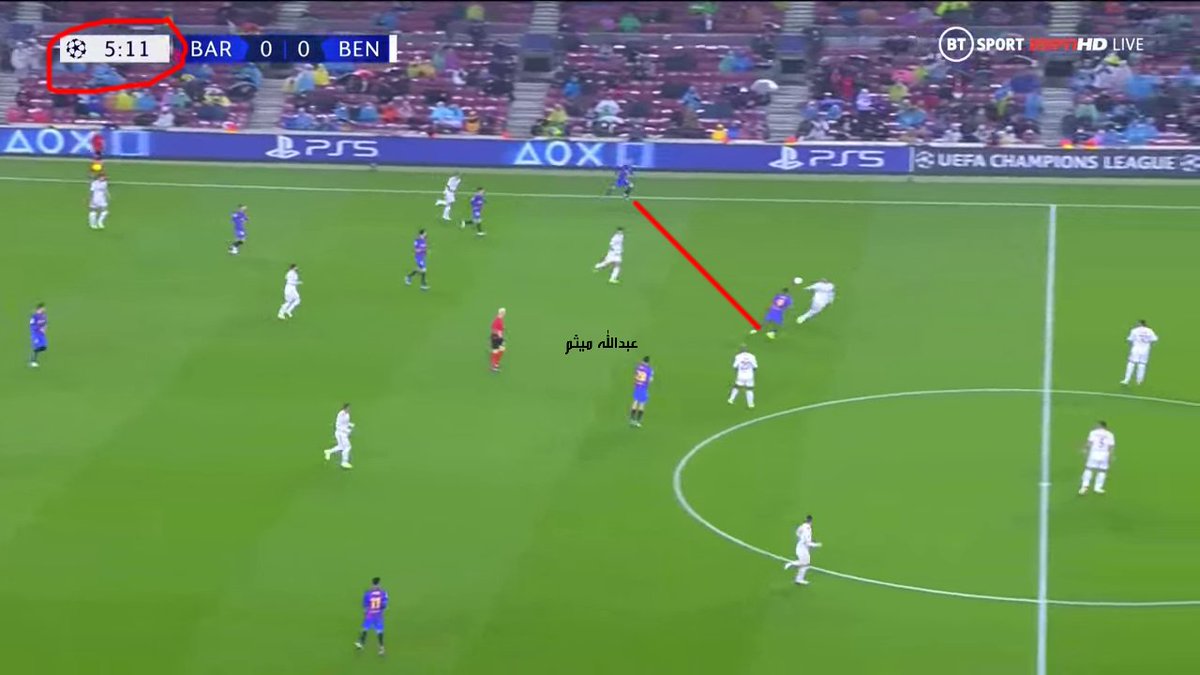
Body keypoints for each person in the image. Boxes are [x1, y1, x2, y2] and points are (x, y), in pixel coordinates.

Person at [783, 515, 822, 585]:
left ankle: (799, 579)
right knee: (804, 563)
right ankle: (791, 564)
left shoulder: (802, 526)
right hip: (803, 549)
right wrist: (816, 545)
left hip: (800, 547)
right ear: (811, 521)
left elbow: (797, 533)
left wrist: (801, 538)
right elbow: (808, 543)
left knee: (806, 564)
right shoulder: (808, 529)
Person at [1079, 421, 1116, 495]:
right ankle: (1098, 488)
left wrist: (1085, 449)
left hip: (1094, 453)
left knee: (1089, 469)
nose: (1095, 426)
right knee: (1102, 470)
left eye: (1097, 425)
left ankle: (1085, 486)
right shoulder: (1110, 434)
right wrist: (1111, 456)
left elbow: (1089, 443)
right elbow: (1111, 447)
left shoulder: (1093, 432)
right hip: (1104, 454)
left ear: (1100, 425)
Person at [355, 577, 388, 655]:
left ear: (372, 584)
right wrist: (382, 611)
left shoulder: (367, 594)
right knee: (379, 631)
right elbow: (384, 605)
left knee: (365, 629)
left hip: (370, 615)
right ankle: (381, 649)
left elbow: (365, 606)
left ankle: (361, 644)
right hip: (378, 615)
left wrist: (365, 614)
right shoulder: (383, 593)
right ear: (379, 584)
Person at [1121, 319, 1158, 385]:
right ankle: (1139, 381)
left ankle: (1126, 380)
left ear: (1140, 324)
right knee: (1142, 364)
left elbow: (1130, 339)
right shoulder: (1150, 330)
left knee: (1131, 363)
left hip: (1136, 349)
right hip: (1145, 350)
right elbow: (1154, 339)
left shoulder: (1135, 330)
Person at [324, 403, 354, 469]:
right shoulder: (341, 415)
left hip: (343, 433)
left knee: (341, 446)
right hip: (340, 434)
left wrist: (350, 424)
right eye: (348, 408)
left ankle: (328, 451)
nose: (350, 409)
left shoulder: (347, 414)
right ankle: (344, 462)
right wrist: (348, 431)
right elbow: (339, 426)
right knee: (347, 447)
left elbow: (345, 423)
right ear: (345, 408)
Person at [629, 356, 653, 427]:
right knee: (642, 404)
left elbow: (635, 376)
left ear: (643, 361)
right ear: (648, 362)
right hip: (643, 388)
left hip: (637, 387)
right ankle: (638, 421)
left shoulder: (638, 367)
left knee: (635, 402)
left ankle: (632, 419)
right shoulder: (649, 370)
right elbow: (650, 380)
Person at [29, 303, 48, 368]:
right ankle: (33, 361)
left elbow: (45, 323)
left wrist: (44, 329)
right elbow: (32, 325)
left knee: (44, 347)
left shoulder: (44, 316)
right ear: (40, 308)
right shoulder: (34, 316)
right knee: (37, 346)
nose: (44, 309)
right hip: (36, 334)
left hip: (41, 334)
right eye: (43, 308)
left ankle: (33, 359)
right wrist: (38, 329)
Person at [489, 307, 506, 372]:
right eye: (504, 313)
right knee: (495, 351)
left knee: (502, 349)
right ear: (501, 313)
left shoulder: (500, 319)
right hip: (496, 338)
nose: (505, 314)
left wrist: (502, 328)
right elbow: (495, 329)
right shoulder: (497, 320)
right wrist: (501, 338)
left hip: (498, 337)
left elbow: (498, 328)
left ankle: (496, 363)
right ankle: (493, 366)